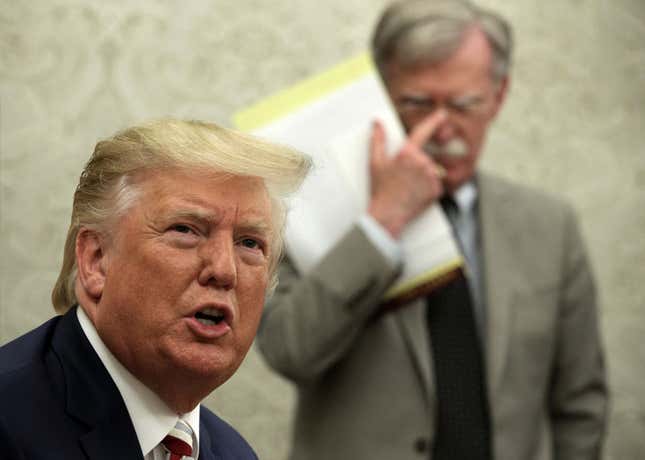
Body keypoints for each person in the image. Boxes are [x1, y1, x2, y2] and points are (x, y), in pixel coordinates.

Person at [256, 1, 608, 459]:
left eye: (464, 104)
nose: (442, 129)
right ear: (379, 94)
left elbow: (580, 403)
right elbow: (289, 351)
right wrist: (381, 224)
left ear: (499, 96)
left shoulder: (550, 225)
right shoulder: (307, 206)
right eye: (418, 103)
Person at [0, 119, 310, 459]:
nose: (224, 270)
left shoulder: (233, 453)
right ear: (96, 259)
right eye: (186, 230)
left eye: (249, 243)